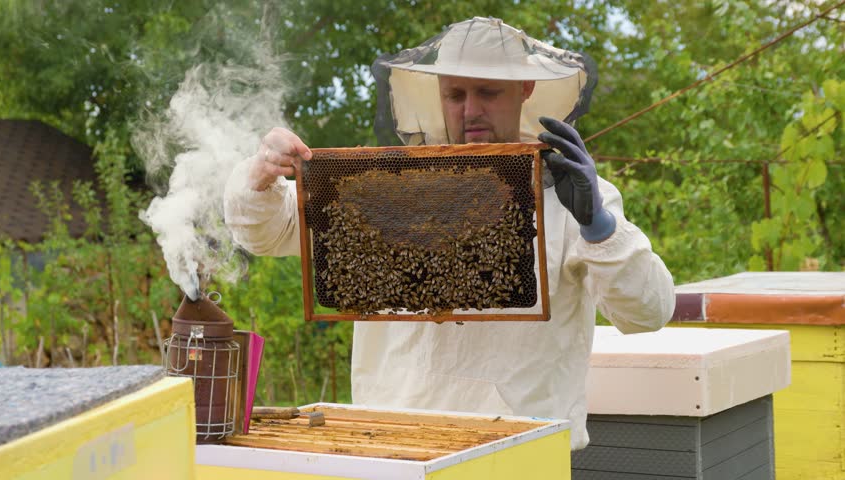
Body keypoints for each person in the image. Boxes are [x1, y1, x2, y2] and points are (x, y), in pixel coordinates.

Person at [223, 17, 674, 450]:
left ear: (525, 89)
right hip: (390, 438)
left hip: (519, 448)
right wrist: (261, 175)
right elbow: (263, 232)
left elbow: (648, 312)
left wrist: (600, 228)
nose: (471, 110)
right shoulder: (382, 186)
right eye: (455, 94)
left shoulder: (576, 196)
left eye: (488, 92)